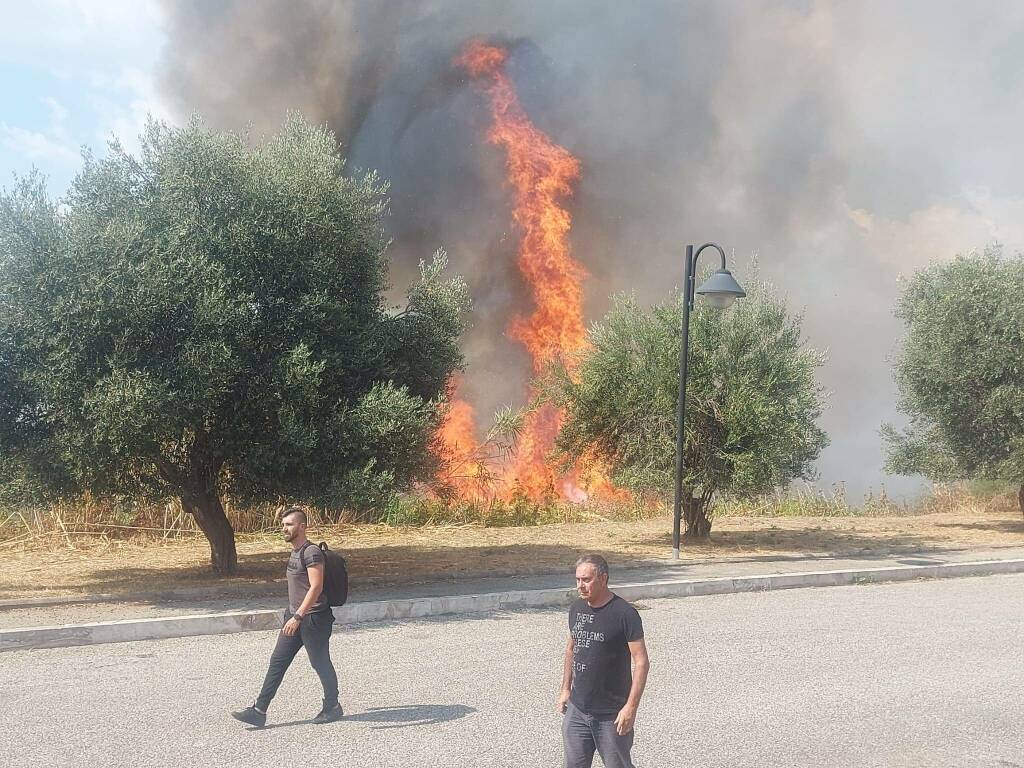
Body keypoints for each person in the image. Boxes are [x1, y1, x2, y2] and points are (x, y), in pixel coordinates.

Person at [231, 506, 343, 727]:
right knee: (278, 661)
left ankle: (333, 706)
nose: (284, 528)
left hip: (312, 619)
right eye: (283, 525)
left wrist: (298, 616)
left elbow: (316, 587)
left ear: (302, 526)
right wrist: (292, 615)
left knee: (320, 663)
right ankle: (259, 710)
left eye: (289, 524)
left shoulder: (311, 553)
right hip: (294, 616)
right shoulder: (295, 551)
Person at [558, 554, 650, 768]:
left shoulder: (625, 614)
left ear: (603, 578)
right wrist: (565, 689)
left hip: (612, 715)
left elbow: (642, 662)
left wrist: (631, 708)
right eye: (578, 579)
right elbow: (572, 649)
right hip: (577, 710)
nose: (580, 586)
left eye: (586, 580)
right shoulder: (576, 609)